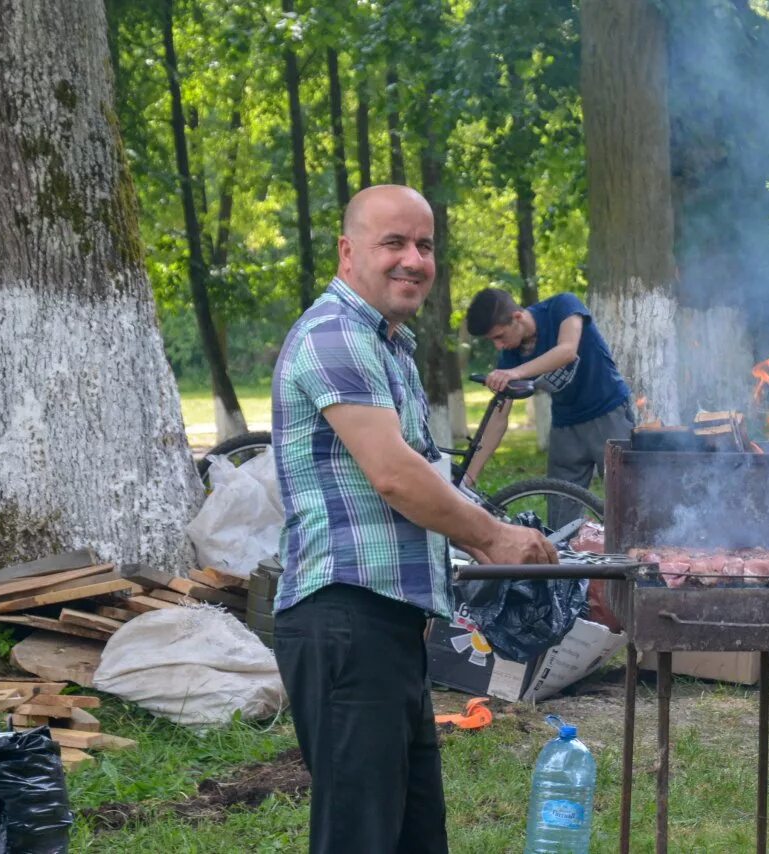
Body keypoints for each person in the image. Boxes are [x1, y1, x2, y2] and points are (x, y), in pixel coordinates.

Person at [271, 184, 557, 854]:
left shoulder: (389, 345)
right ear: (348, 253)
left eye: (424, 245)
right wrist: (491, 537)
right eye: (393, 242)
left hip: (388, 620)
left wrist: (499, 538)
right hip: (343, 618)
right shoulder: (335, 334)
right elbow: (394, 476)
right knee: (362, 837)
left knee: (414, 833)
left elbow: (426, 471)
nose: (413, 260)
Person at [463, 287, 634, 519]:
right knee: (560, 515)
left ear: (517, 317)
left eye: (499, 337)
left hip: (608, 415)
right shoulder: (512, 355)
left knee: (628, 504)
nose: (498, 346)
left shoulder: (562, 307)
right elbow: (499, 418)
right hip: (565, 427)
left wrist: (516, 373)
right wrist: (469, 478)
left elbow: (567, 351)